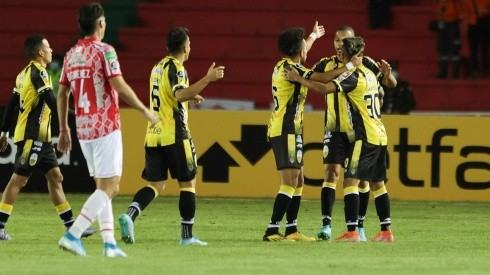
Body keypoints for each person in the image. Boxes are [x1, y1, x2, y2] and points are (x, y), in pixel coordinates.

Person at [56, 3, 158, 257]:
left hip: (83, 129)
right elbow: (119, 85)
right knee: (110, 188)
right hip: (105, 125)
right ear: (100, 24)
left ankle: (109, 244)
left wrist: (63, 129)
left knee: (103, 188)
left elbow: (62, 93)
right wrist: (144, 110)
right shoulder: (105, 51)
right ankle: (73, 234)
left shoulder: (71, 54)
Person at [118, 27, 225, 246]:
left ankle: (130, 215)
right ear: (185, 47)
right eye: (190, 43)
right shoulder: (177, 68)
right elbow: (179, 94)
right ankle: (187, 237)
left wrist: (190, 96)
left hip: (154, 133)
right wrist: (208, 78)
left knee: (155, 184)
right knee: (188, 183)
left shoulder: (157, 67)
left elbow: (172, 96)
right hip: (175, 133)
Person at [285, 36, 395, 243]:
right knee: (378, 183)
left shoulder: (353, 75)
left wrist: (299, 79)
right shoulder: (371, 75)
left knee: (351, 180)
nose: (338, 51)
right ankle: (386, 231)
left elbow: (325, 88)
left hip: (365, 137)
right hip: (380, 134)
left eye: (341, 48)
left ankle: (352, 231)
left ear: (346, 54)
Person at [0, 35, 95, 241]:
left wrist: (4, 132)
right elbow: (50, 99)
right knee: (19, 180)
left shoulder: (22, 74)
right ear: (40, 52)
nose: (52, 50)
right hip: (32, 136)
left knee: (56, 177)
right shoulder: (39, 73)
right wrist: (72, 116)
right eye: (49, 47)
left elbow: (11, 106)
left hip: (40, 138)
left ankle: (72, 228)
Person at [262, 22, 325, 242]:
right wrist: (348, 67)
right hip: (285, 129)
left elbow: (303, 49)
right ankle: (271, 230)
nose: (306, 48)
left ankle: (291, 230)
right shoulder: (293, 70)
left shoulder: (287, 64)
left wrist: (313, 36)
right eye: (304, 46)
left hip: (292, 129)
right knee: (289, 180)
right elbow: (321, 79)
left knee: (298, 180)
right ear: (300, 51)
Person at [434, 0, 464, 79]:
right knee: (442, 50)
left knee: (455, 51)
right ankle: (443, 73)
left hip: (452, 25)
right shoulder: (440, 2)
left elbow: (460, 15)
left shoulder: (455, 2)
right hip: (442, 25)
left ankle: (455, 74)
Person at [464, 0, 490, 78]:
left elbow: (466, 14)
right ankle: (482, 70)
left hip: (474, 24)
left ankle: (476, 70)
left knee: (476, 49)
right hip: (483, 24)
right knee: (482, 49)